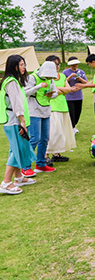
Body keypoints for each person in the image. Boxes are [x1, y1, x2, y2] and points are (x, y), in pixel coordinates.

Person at [0, 55, 37, 195]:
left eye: (24, 64)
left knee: (15, 148)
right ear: (14, 66)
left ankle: (19, 177)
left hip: (12, 120)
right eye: (22, 64)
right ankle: (6, 182)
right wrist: (22, 121)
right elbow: (16, 104)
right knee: (18, 150)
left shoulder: (11, 81)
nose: (24, 67)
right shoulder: (12, 83)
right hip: (14, 121)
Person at [22, 60, 58, 176]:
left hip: (46, 111)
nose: (49, 78)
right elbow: (25, 92)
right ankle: (26, 167)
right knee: (34, 139)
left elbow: (56, 92)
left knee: (45, 139)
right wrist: (38, 87)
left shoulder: (50, 79)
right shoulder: (32, 78)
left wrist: (51, 94)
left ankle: (41, 164)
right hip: (34, 112)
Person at [45, 56, 78, 163]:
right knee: (53, 132)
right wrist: (62, 90)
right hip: (52, 107)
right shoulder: (46, 76)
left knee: (61, 132)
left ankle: (57, 153)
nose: (57, 67)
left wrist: (59, 90)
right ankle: (45, 154)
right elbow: (48, 91)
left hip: (63, 106)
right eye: (54, 64)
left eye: (58, 64)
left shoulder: (62, 76)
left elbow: (69, 89)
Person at [63, 57, 87, 134]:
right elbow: (63, 82)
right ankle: (72, 127)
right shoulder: (65, 72)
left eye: (76, 64)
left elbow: (86, 83)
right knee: (71, 113)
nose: (75, 66)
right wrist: (70, 76)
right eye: (73, 64)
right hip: (69, 97)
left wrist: (80, 79)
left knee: (77, 113)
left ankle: (74, 125)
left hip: (79, 96)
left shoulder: (81, 72)